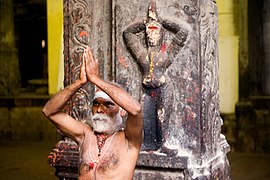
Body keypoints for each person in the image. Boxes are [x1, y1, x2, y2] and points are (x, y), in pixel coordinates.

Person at [42, 46, 143, 179]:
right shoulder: (85, 134)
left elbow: (136, 110)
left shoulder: (129, 140)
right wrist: (79, 83)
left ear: (122, 110)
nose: (100, 109)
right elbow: (49, 111)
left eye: (108, 104)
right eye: (96, 103)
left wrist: (96, 79)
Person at [123, 2, 188, 156]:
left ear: (161, 34)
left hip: (164, 89)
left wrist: (162, 21)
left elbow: (183, 32)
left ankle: (163, 143)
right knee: (145, 117)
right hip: (147, 90)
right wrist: (146, 23)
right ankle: (148, 143)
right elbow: (128, 33)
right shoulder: (141, 54)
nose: (150, 35)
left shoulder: (167, 53)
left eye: (154, 32)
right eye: (148, 33)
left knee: (162, 117)